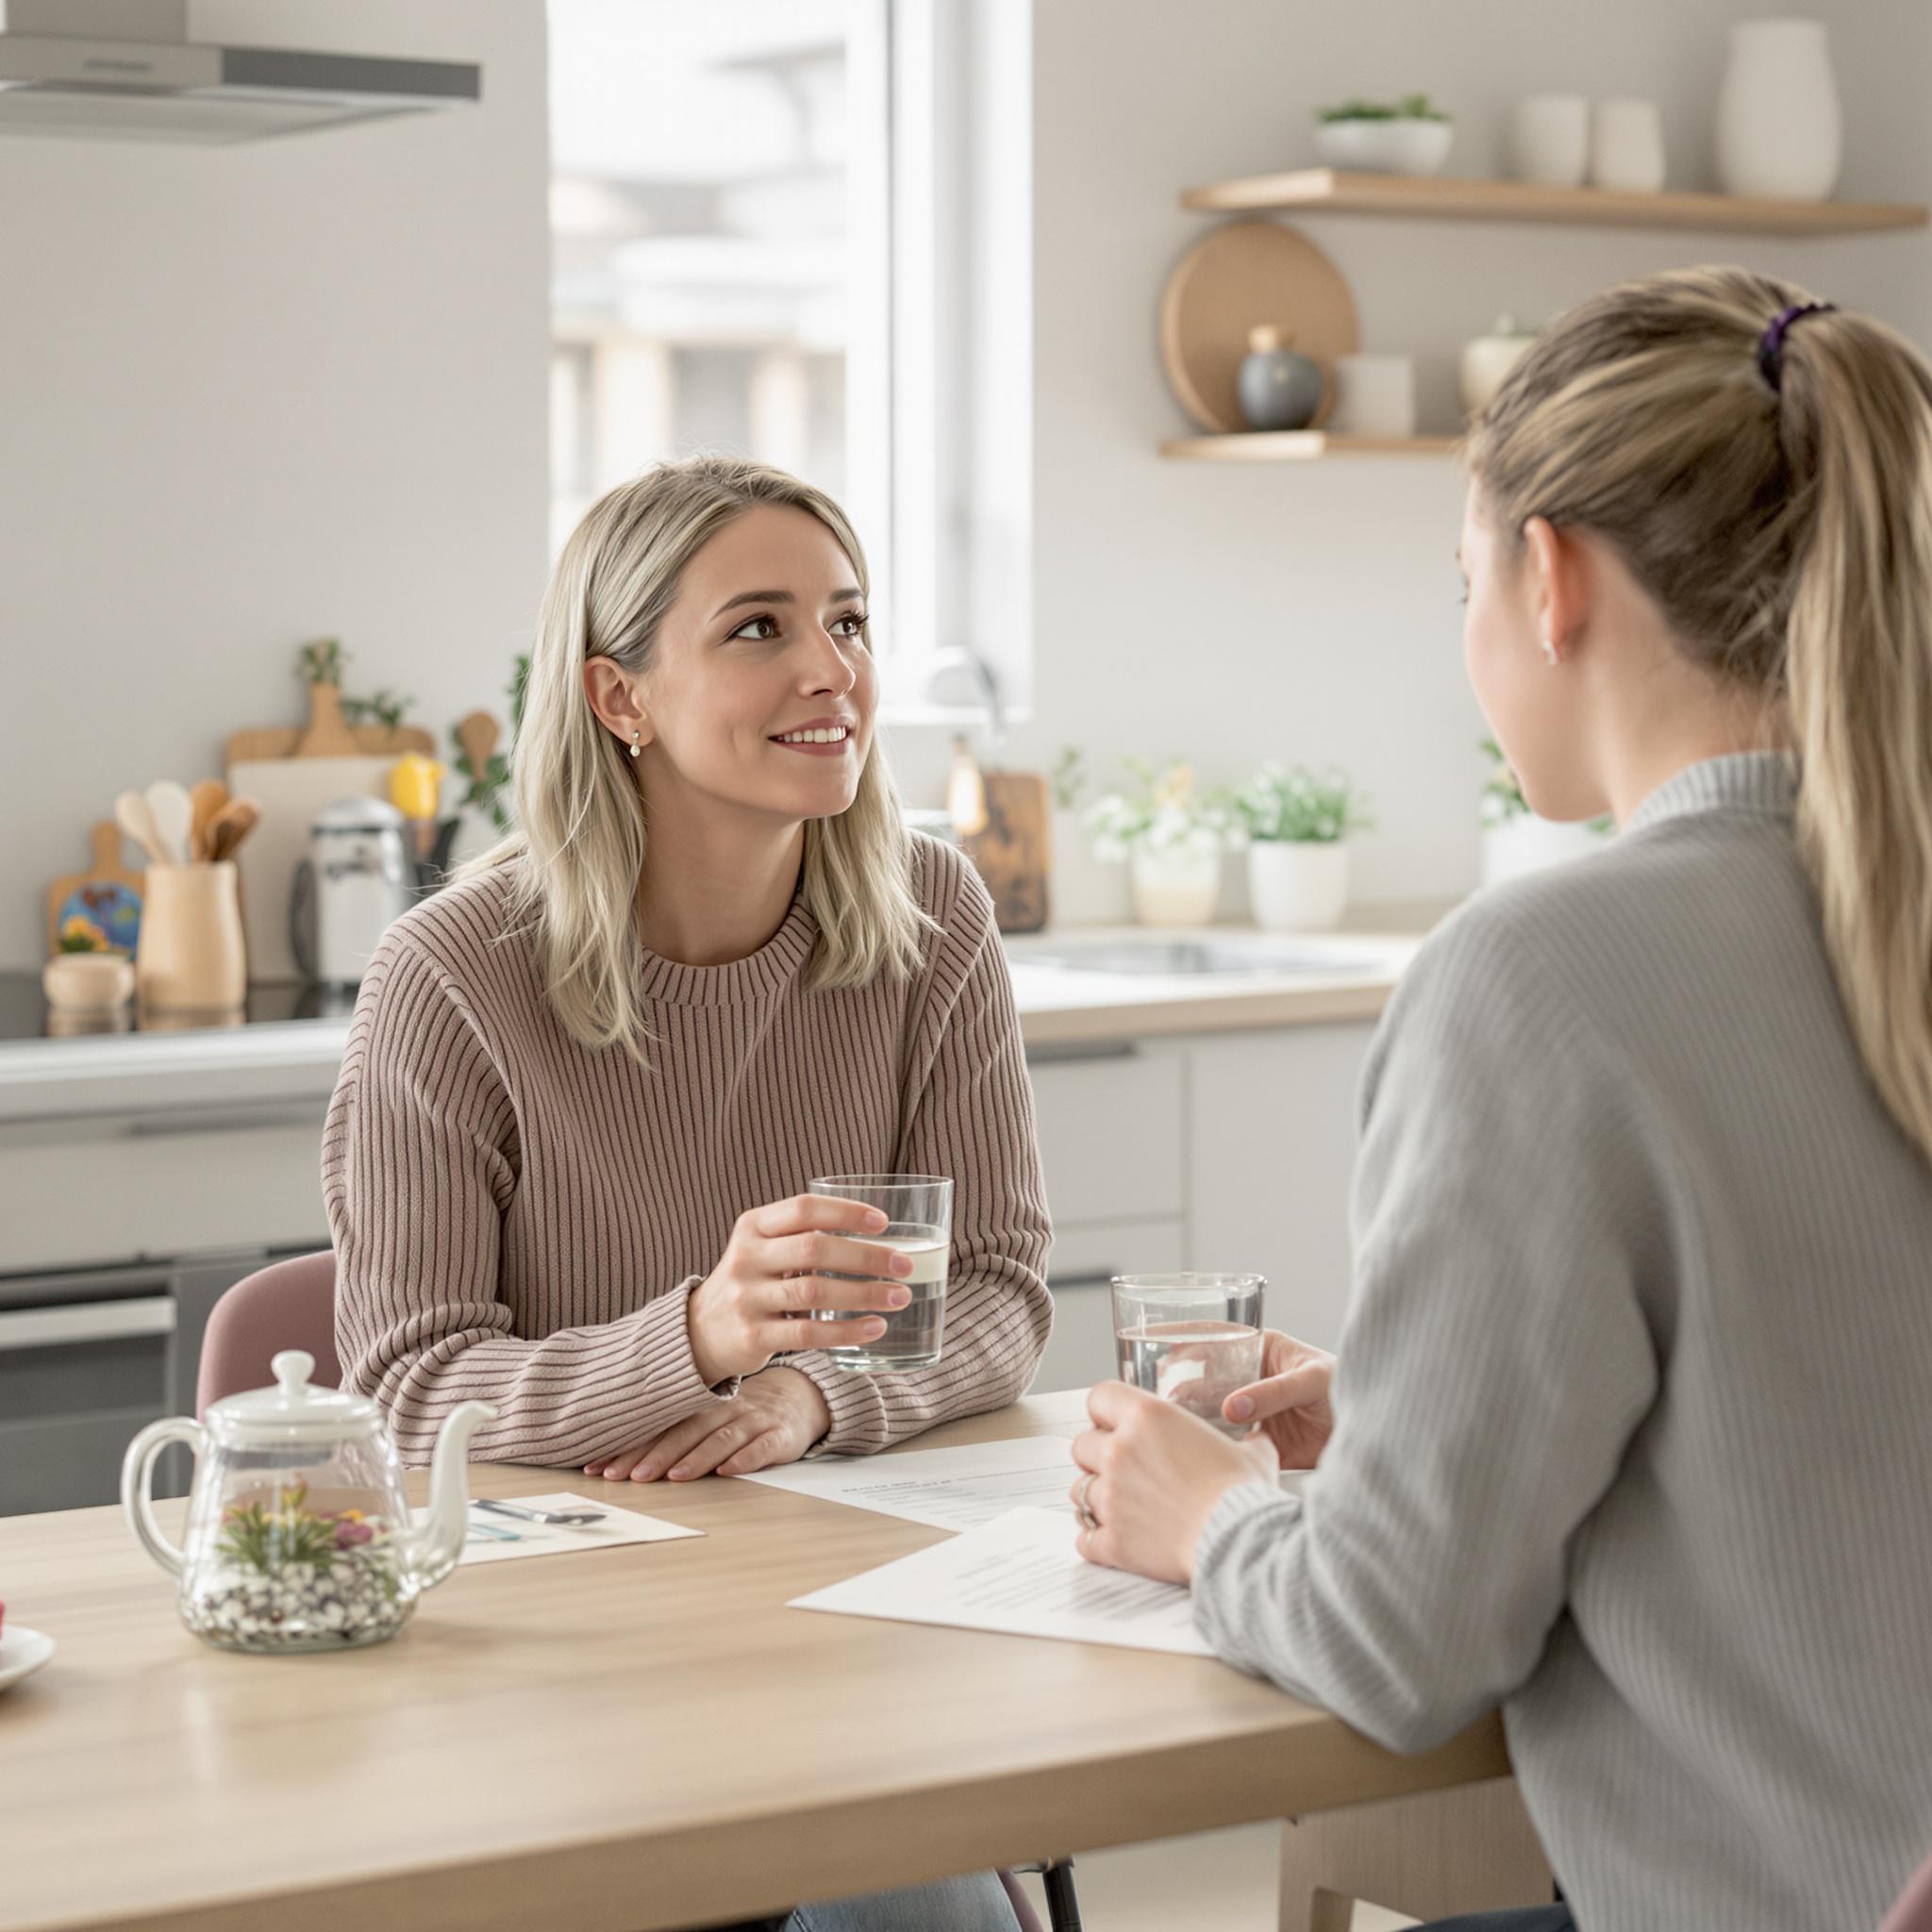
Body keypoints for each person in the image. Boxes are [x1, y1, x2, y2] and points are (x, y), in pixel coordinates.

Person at [1069, 267, 1932, 1932]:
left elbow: (1404, 1650)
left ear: (1550, 581)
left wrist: (1220, 1521)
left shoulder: (1540, 976)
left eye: (1458, 578)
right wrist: (1413, 1425)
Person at [325, 456, 1049, 1932]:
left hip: (858, 1627)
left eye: (846, 621)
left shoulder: (928, 916)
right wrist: (704, 1335)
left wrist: (811, 1402)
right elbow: (403, 1395)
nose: (829, 670)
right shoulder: (452, 976)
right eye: (759, 629)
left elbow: (999, 1294)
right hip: (560, 1662)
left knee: (926, 1908)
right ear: (619, 697)